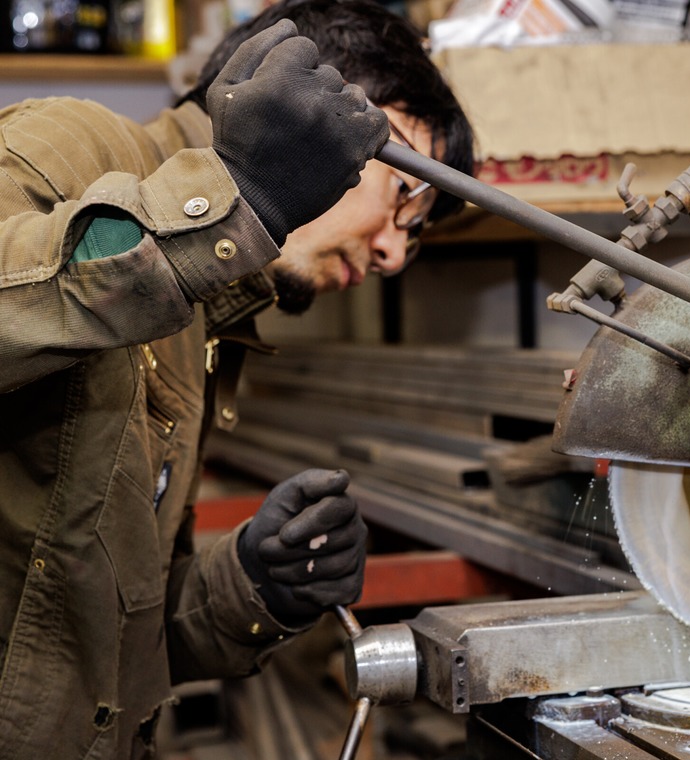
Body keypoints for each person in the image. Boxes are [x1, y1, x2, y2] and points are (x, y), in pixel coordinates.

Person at [0, 0, 474, 756]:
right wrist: (232, 199)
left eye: (413, 240)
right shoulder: (75, 145)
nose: (393, 255)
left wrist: (252, 584)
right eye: (405, 202)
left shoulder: (206, 322)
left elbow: (96, 652)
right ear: (310, 103)